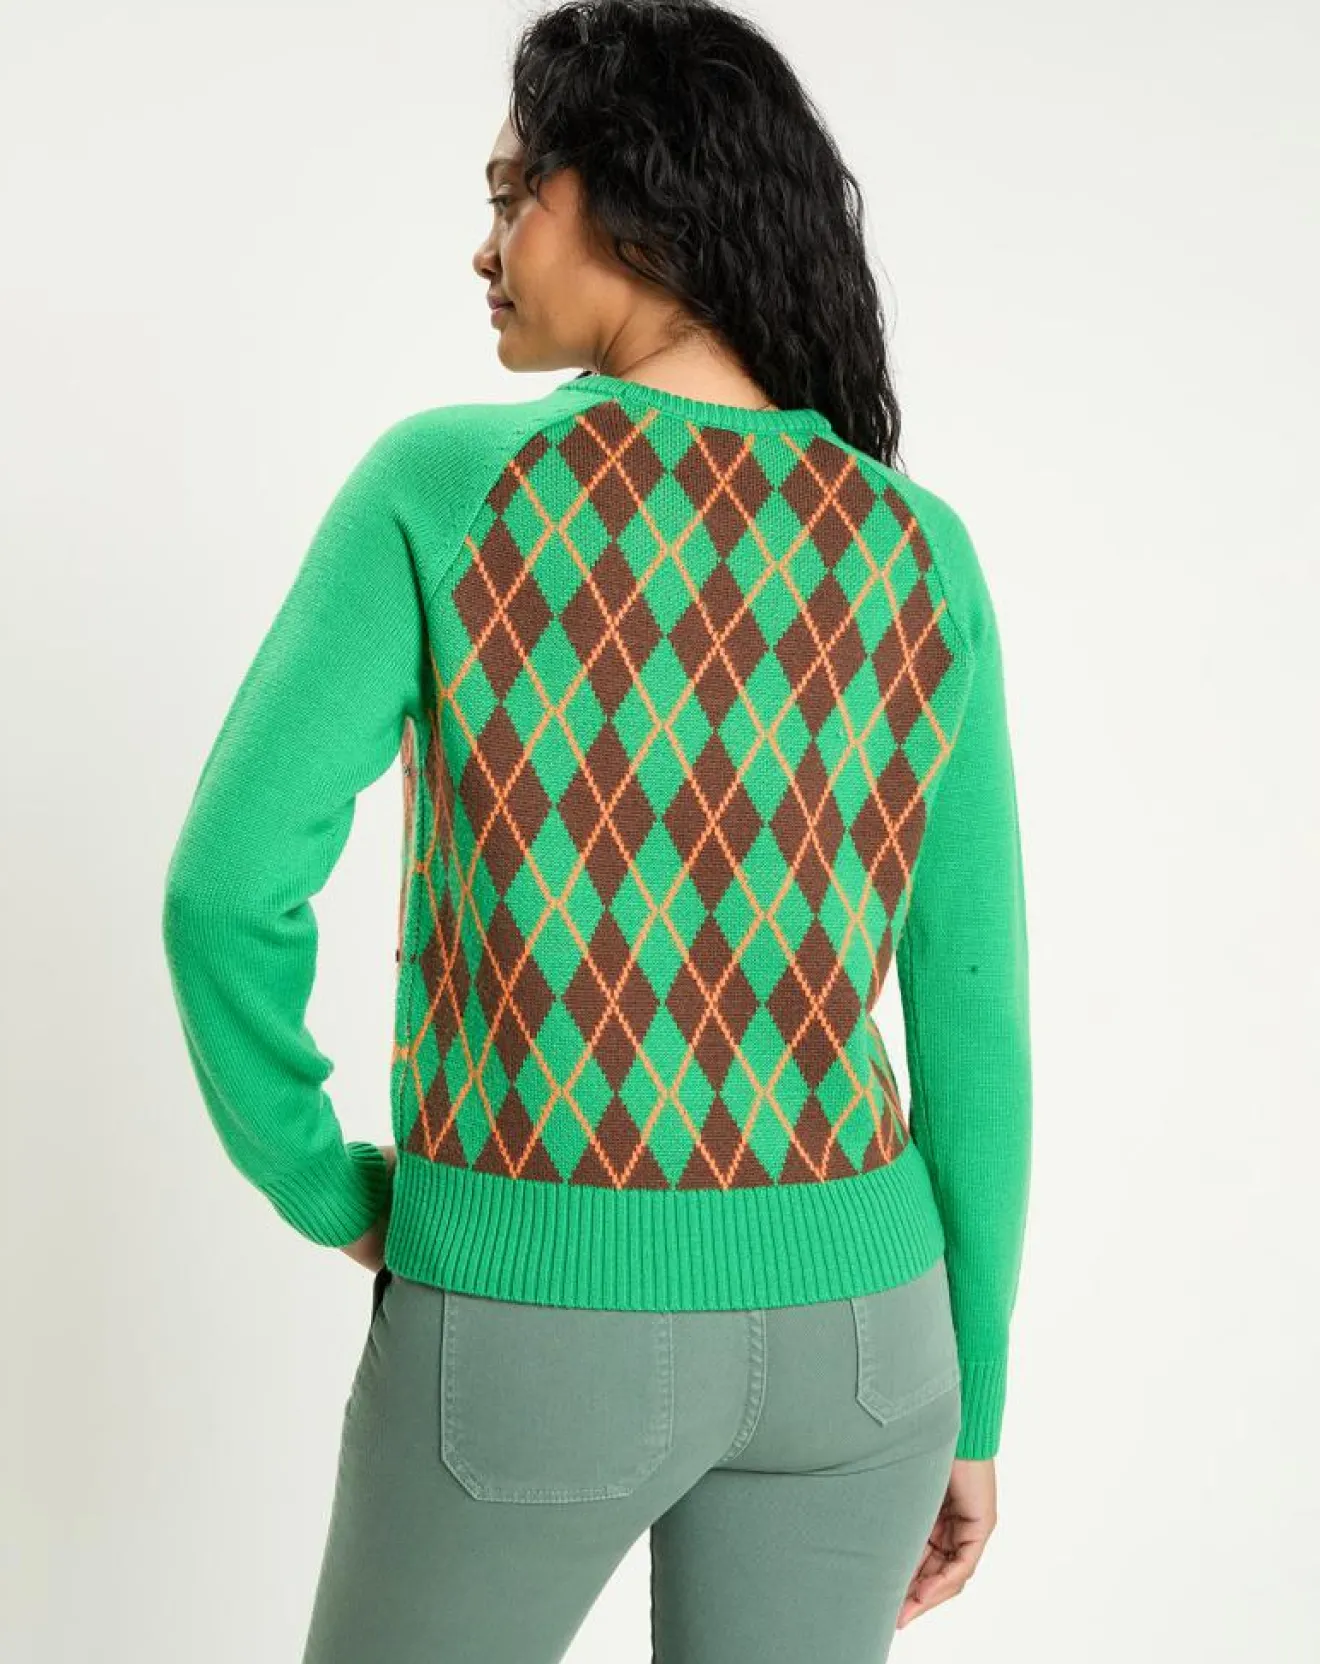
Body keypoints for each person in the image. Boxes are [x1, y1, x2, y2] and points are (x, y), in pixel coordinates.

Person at [160, 2, 1032, 1658]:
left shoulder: (449, 487)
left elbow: (224, 892)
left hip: (532, 1312)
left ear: (633, 193)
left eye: (511, 196)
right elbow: (972, 1019)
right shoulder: (921, 549)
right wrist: (975, 1402)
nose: (483, 246)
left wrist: (334, 1189)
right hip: (867, 1345)